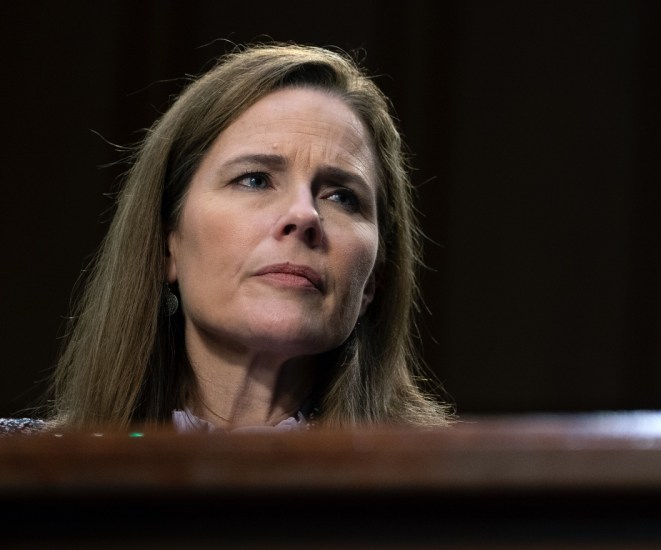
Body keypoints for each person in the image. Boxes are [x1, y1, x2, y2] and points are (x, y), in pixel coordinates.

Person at [6, 43, 452, 433]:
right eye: (255, 180)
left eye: (342, 197)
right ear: (167, 244)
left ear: (372, 279)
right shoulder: (23, 475)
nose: (304, 214)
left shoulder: (449, 494)